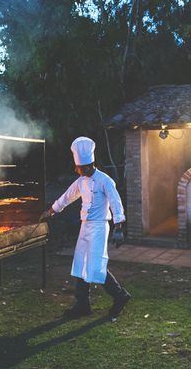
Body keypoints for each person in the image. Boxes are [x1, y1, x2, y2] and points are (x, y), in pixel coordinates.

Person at [42, 136, 131, 321]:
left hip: (99, 227)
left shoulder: (105, 180)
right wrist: (51, 211)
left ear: (88, 165)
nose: (76, 169)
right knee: (81, 264)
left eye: (78, 167)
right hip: (85, 226)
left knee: (96, 266)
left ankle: (120, 296)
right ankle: (82, 305)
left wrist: (119, 227)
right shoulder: (81, 181)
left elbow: (116, 203)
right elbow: (67, 196)